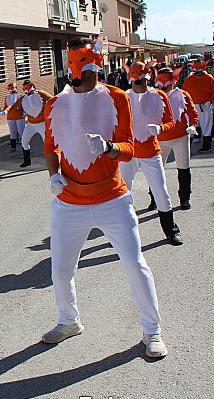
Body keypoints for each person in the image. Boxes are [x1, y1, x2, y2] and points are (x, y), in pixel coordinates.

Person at [42, 36, 168, 358]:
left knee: (134, 263)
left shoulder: (116, 98)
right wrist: (54, 174)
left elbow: (128, 147)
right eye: (75, 66)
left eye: (85, 66)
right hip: (69, 203)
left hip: (112, 199)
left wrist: (110, 148)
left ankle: (152, 331)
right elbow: (50, 147)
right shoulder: (56, 103)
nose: (81, 74)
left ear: (96, 66)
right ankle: (68, 320)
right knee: (60, 268)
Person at [120, 62, 182, 246]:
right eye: (134, 77)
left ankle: (171, 230)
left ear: (147, 76)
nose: (138, 82)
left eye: (141, 77)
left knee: (161, 191)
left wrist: (160, 128)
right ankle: (122, 233)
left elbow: (170, 122)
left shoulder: (159, 96)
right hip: (128, 152)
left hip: (150, 152)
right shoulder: (123, 97)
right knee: (122, 192)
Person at [150, 67, 199, 210]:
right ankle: (155, 199)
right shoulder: (152, 96)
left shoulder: (182, 95)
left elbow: (192, 112)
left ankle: (185, 198)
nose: (164, 86)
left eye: (167, 81)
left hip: (180, 137)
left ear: (174, 81)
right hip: (160, 139)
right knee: (156, 171)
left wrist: (193, 125)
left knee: (183, 168)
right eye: (161, 81)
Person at [183, 59, 214, 152]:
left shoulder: (209, 77)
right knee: (194, 123)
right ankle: (196, 138)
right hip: (193, 105)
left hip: (205, 105)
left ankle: (207, 145)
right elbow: (184, 92)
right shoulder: (189, 79)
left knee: (206, 124)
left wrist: (209, 101)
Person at [14, 80, 53, 168]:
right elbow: (14, 105)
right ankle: (27, 160)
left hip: (42, 123)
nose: (27, 91)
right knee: (24, 141)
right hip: (30, 124)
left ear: (33, 86)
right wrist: (6, 111)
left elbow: (52, 100)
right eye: (25, 89)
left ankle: (52, 161)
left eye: (28, 87)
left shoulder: (40, 93)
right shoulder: (24, 98)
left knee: (47, 143)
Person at [0, 82, 25, 151]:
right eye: (10, 88)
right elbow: (5, 106)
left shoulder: (20, 96)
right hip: (10, 117)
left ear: (16, 88)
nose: (12, 90)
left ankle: (25, 146)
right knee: (12, 132)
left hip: (19, 116)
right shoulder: (7, 97)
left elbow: (23, 106)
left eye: (13, 88)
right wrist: (2, 110)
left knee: (21, 132)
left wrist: (24, 112)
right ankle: (13, 147)